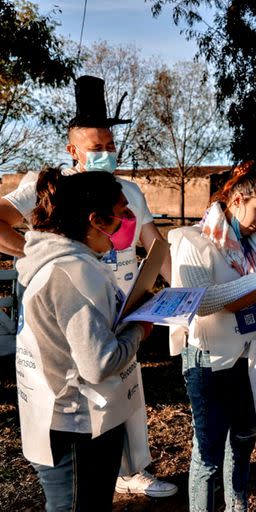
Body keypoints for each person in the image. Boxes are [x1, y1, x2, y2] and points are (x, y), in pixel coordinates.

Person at [0, 75, 177, 497]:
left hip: (124, 304)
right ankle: (83, 473)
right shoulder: (51, 188)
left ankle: (133, 468)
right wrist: (39, 258)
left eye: (111, 147)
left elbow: (154, 245)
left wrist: (181, 291)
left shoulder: (127, 190)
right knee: (83, 389)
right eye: (97, 149)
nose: (106, 155)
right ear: (72, 149)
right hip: (74, 308)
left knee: (125, 391)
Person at [15, 169, 153, 511]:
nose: (128, 224)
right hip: (76, 429)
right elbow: (98, 363)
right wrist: (141, 329)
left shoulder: (60, 262)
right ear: (96, 220)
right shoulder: (73, 272)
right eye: (122, 214)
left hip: (70, 421)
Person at [168, 163, 256, 511]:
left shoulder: (253, 245)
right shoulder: (192, 240)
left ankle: (237, 505)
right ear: (238, 199)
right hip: (209, 360)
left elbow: (253, 293)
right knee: (208, 455)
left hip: (250, 355)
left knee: (244, 439)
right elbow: (201, 301)